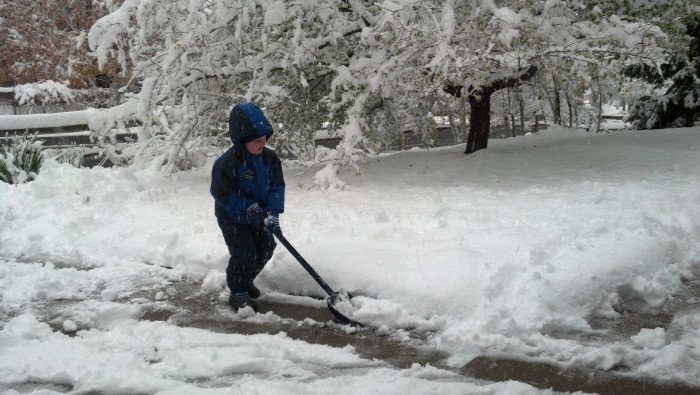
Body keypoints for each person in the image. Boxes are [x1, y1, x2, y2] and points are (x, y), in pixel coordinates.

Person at [210, 102, 285, 312]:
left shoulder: (270, 158)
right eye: (257, 141)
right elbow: (221, 192)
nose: (263, 144)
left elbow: (277, 186)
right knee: (245, 253)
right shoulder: (227, 163)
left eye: (265, 139)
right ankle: (237, 293)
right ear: (241, 140)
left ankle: (245, 280)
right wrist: (246, 206)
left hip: (259, 215)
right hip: (232, 216)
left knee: (267, 248)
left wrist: (274, 212)